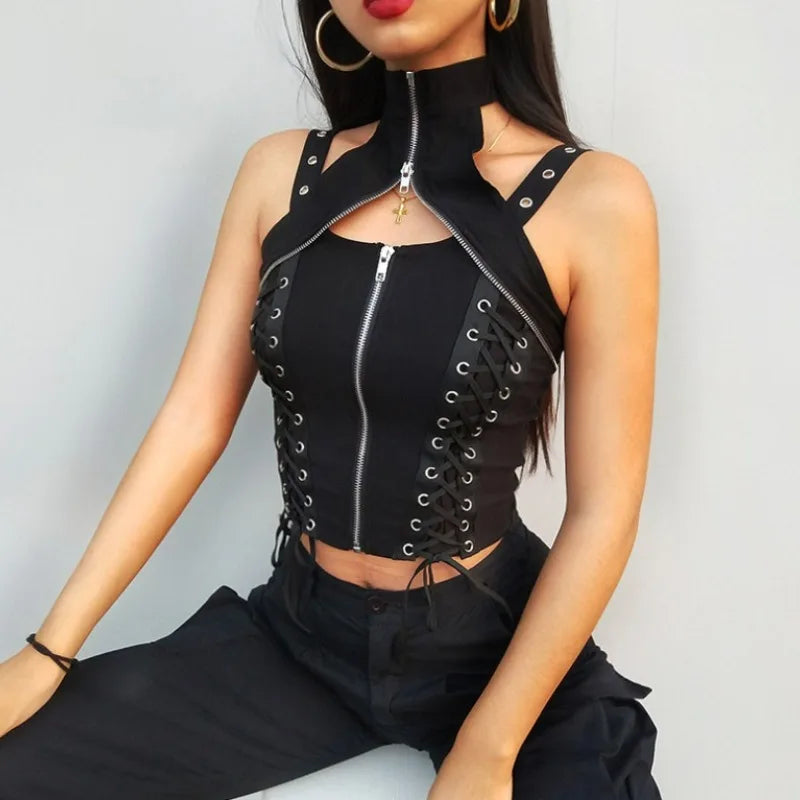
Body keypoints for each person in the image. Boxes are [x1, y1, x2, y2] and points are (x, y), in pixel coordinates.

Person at [0, 0, 662, 798]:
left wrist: (490, 747)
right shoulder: (278, 173)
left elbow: (604, 510)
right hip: (300, 641)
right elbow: (192, 419)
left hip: (500, 650)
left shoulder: (596, 198)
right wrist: (49, 650)